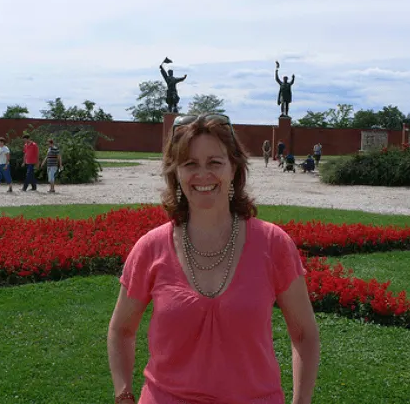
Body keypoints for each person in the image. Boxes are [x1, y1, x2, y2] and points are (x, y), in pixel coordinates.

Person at [107, 113, 320, 404]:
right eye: (190, 164)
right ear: (176, 172)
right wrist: (123, 395)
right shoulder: (150, 248)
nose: (202, 174)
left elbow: (304, 333)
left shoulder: (273, 244)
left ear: (234, 168)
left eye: (215, 162)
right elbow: (121, 329)